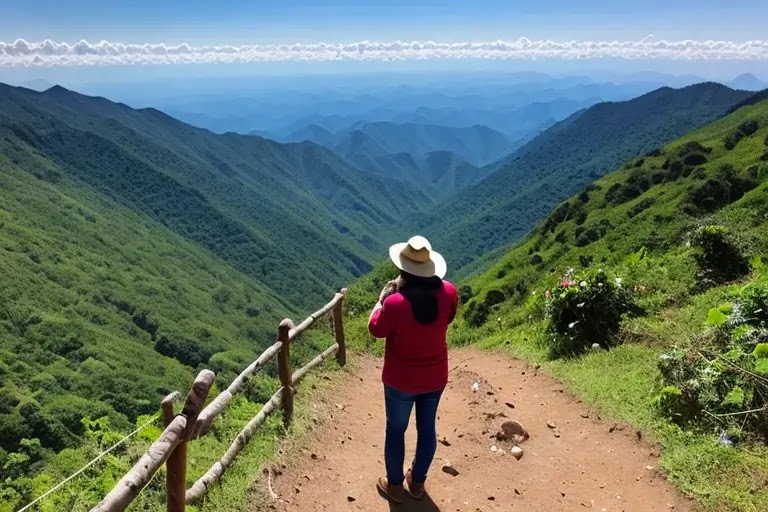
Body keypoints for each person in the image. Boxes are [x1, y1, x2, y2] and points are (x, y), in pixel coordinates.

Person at [368, 235, 458, 503]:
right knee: (427, 428)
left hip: (400, 380)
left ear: (403, 269)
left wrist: (380, 301)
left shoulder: (394, 303)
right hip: (435, 376)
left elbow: (376, 330)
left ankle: (394, 487)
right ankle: (417, 484)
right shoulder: (449, 292)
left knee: (395, 430)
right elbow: (449, 318)